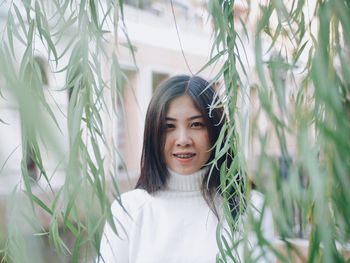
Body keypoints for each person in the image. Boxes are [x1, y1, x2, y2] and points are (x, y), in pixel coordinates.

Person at [97, 75, 244, 263]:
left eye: (196, 124)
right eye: (169, 126)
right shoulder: (127, 211)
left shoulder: (247, 210)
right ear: (153, 133)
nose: (183, 140)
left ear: (216, 130)